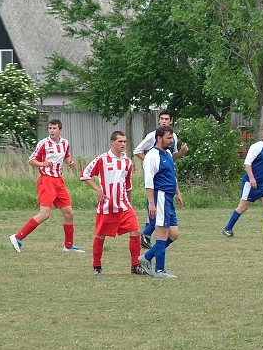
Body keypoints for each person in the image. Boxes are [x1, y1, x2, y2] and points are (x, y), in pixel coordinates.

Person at [9, 119, 84, 253]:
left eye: (54, 128)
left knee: (69, 213)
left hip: (59, 181)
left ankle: (68, 246)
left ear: (59, 130)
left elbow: (66, 157)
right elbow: (31, 160)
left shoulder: (65, 143)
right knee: (44, 214)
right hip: (47, 181)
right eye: (50, 128)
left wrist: (70, 162)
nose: (51, 130)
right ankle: (17, 237)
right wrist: (42, 164)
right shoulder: (43, 143)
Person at [80, 131, 146, 275]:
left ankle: (135, 266)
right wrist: (97, 189)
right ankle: (97, 266)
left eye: (124, 142)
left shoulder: (127, 162)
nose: (123, 144)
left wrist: (130, 204)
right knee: (100, 235)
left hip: (123, 205)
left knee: (135, 231)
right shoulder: (102, 159)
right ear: (112, 142)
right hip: (106, 206)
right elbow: (85, 175)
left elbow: (128, 185)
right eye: (120, 141)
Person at [133, 110, 188, 248]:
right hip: (158, 182)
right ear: (159, 120)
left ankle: (145, 238)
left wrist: (180, 153)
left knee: (161, 221)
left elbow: (171, 157)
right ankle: (146, 239)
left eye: (166, 119)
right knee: (158, 218)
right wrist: (151, 163)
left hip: (168, 179)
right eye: (162, 118)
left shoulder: (172, 136)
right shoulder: (154, 136)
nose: (164, 121)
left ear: (171, 121)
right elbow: (137, 150)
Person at [138, 126, 183, 278]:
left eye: (172, 138)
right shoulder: (152, 156)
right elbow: (149, 182)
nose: (171, 141)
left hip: (168, 198)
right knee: (162, 234)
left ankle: (146, 257)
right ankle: (159, 270)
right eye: (168, 138)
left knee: (174, 234)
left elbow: (172, 175)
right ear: (159, 138)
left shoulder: (168, 153)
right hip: (160, 197)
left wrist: (178, 193)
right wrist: (151, 203)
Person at [223, 128, 263, 238]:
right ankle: (227, 228)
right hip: (251, 184)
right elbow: (247, 163)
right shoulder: (257, 147)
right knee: (243, 207)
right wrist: (251, 178)